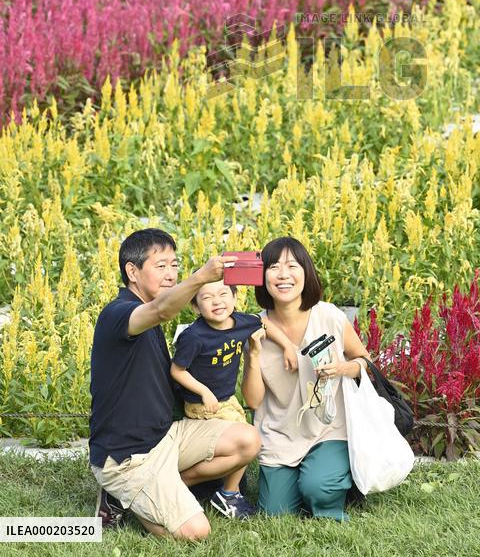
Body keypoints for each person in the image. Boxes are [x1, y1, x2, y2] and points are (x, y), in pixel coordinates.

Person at [89, 228, 261, 539]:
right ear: (132, 271)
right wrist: (200, 278)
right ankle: (125, 495)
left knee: (248, 439)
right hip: (129, 456)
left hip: (166, 437)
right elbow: (161, 310)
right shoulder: (119, 313)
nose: (171, 274)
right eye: (161, 265)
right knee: (196, 532)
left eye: (175, 264)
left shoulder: (150, 309)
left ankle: (141, 494)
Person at [242, 236, 370, 521]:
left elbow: (366, 362)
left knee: (319, 491)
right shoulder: (255, 328)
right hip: (280, 433)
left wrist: (342, 368)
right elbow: (252, 401)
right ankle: (313, 477)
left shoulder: (329, 316)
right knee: (275, 512)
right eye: (274, 267)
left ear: (306, 272)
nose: (283, 274)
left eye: (292, 266)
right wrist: (252, 355)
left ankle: (332, 481)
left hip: (329, 429)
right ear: (263, 277)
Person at [169, 278, 297, 514]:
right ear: (195, 306)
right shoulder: (194, 336)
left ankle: (223, 489)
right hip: (202, 403)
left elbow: (265, 323)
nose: (217, 302)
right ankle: (228, 493)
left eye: (223, 294)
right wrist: (203, 391)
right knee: (247, 439)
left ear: (235, 297)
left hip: (226, 399)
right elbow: (177, 370)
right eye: (207, 298)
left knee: (243, 440)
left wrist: (287, 346)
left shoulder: (242, 323)